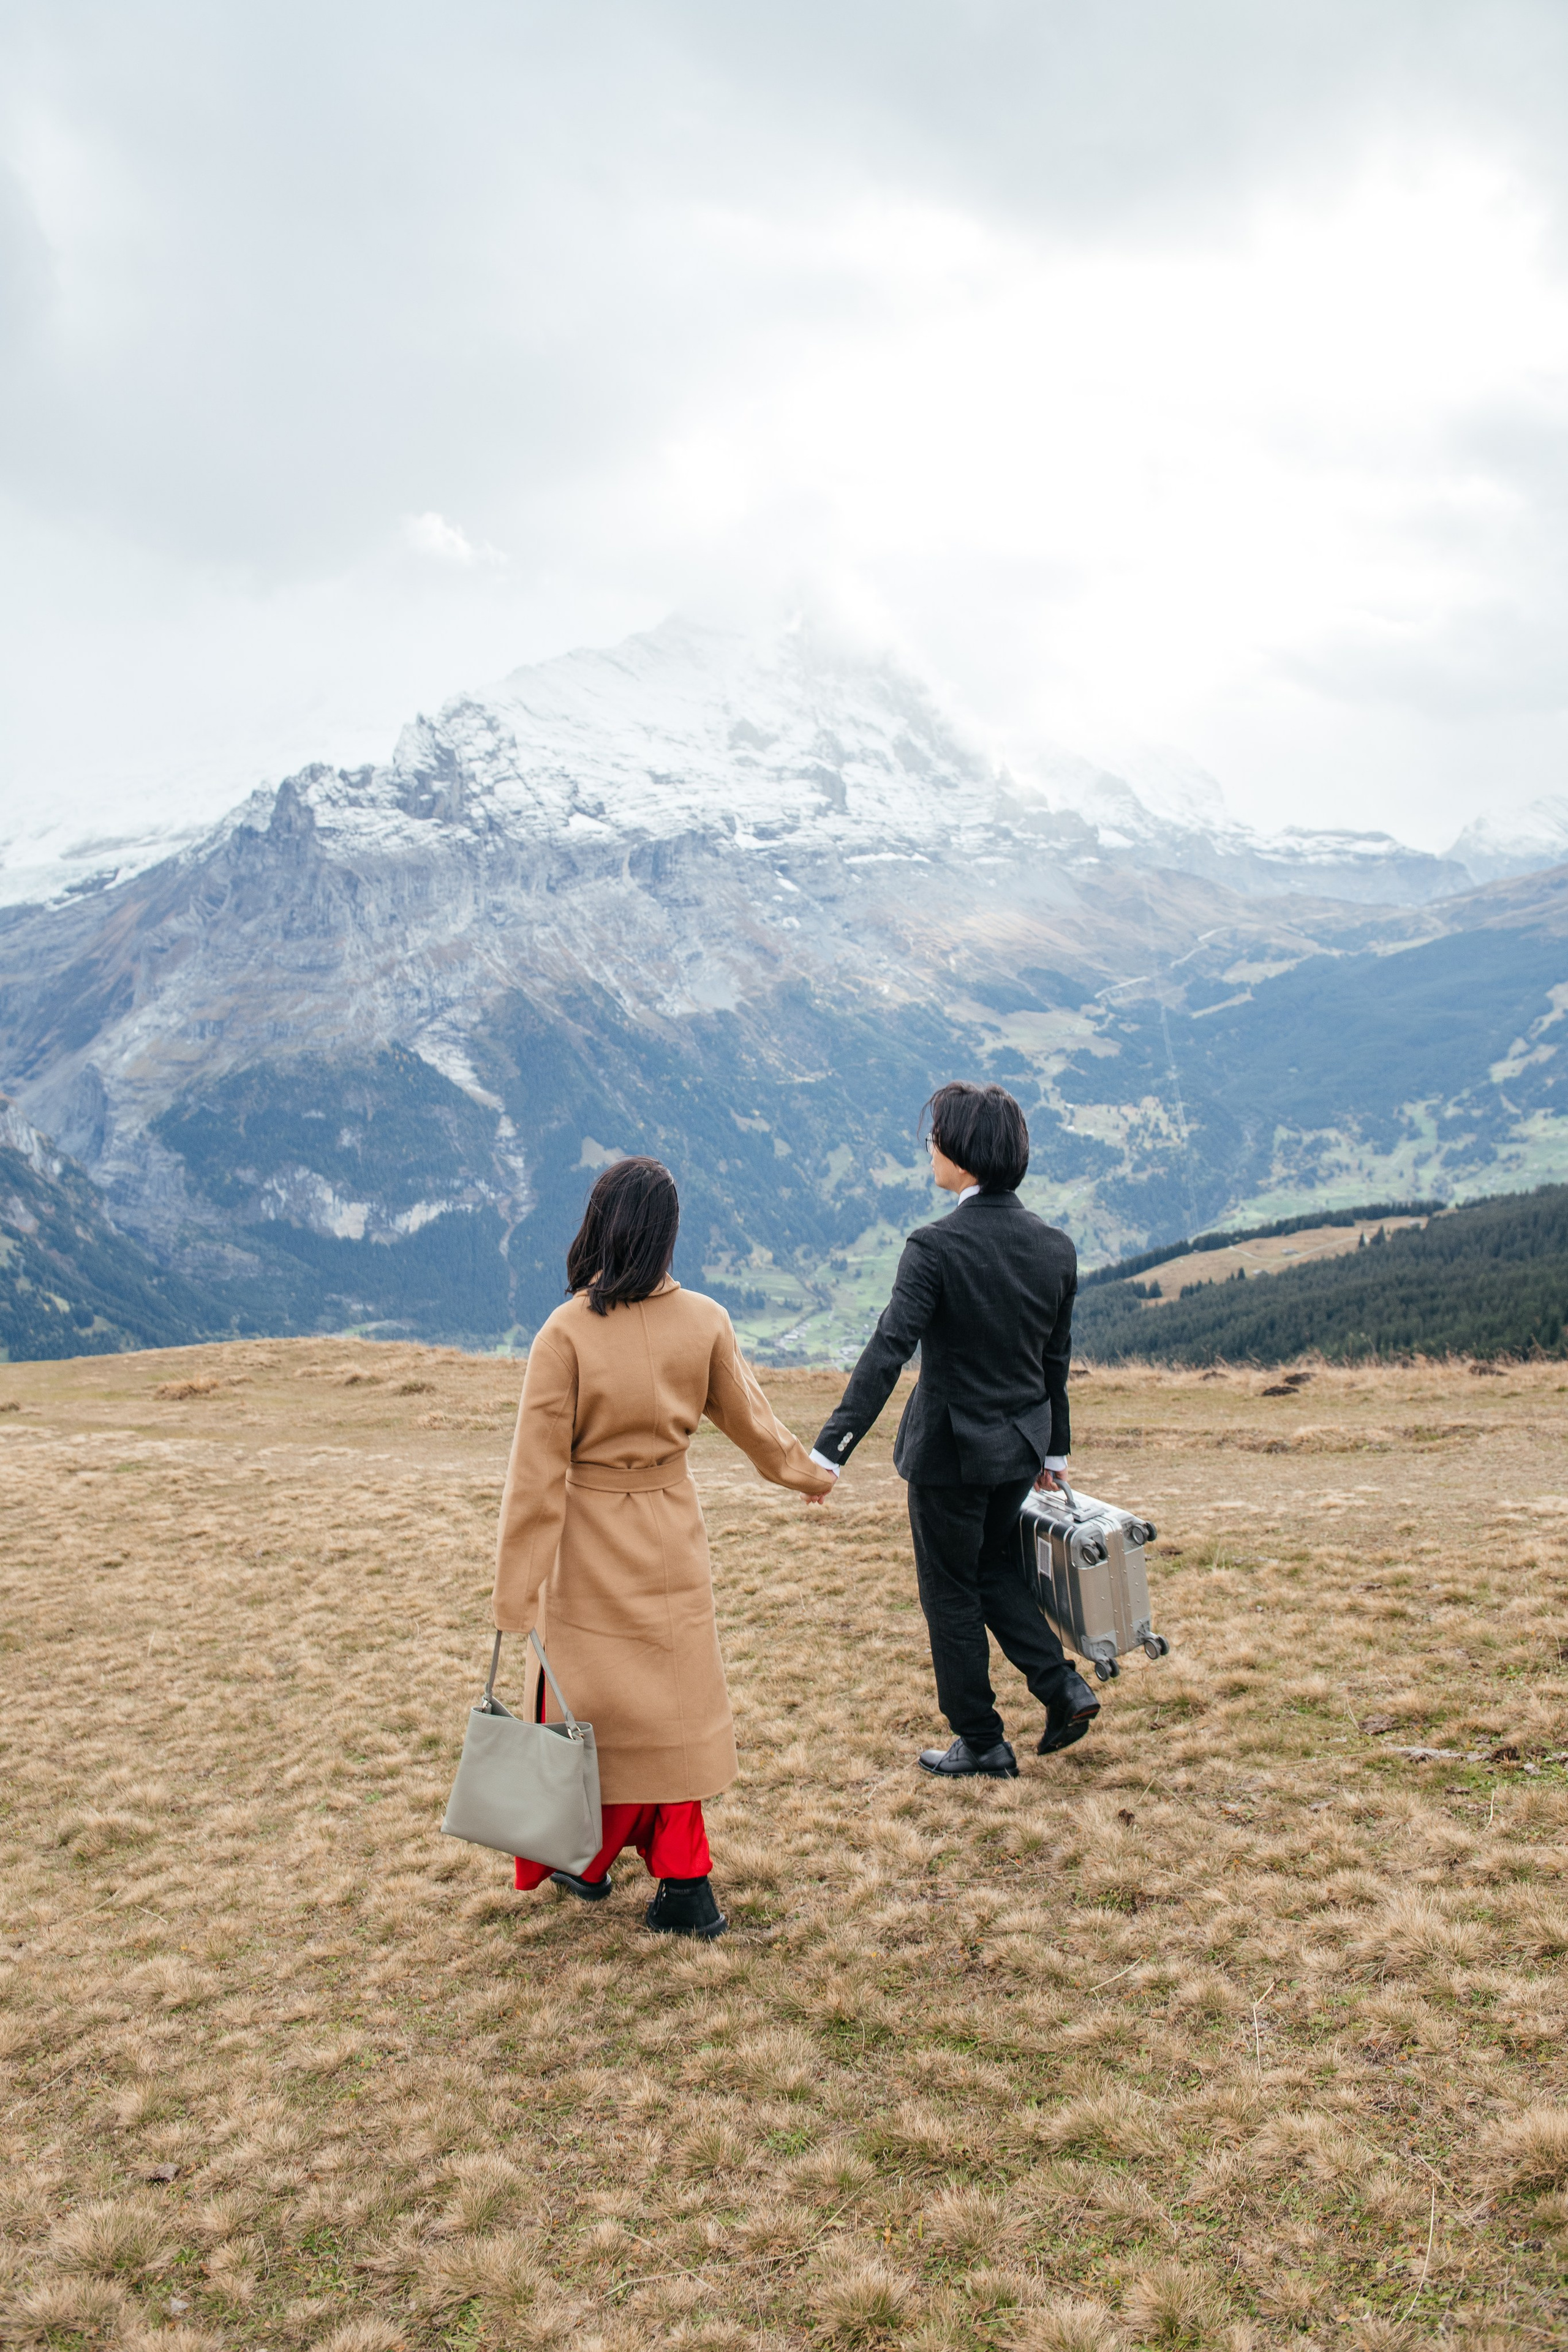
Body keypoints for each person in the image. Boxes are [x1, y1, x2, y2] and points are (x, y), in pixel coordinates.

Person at [491, 1156, 835, 1937]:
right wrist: (807, 1478)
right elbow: (754, 1423)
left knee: (589, 1710)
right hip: (672, 1529)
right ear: (667, 1234)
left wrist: (514, 1595)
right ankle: (672, 1882)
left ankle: (600, 1862)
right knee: (670, 1714)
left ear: (599, 1224)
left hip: (588, 1540)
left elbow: (535, 1478)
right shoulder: (704, 1319)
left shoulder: (565, 1332)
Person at [808, 1081, 1098, 1779]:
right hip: (1020, 1448)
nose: (929, 1149)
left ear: (963, 1155)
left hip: (949, 1455)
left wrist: (831, 1450)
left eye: (935, 1138)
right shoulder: (1055, 1247)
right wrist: (1054, 1451)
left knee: (949, 1590)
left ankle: (981, 1739)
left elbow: (889, 1349)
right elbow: (1054, 1362)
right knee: (991, 1566)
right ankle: (1063, 1689)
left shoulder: (934, 1246)